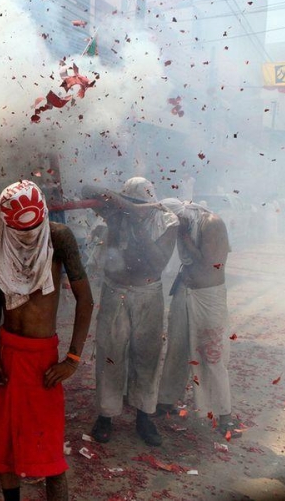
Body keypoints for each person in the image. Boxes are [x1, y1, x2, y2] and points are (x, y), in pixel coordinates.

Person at [0, 180, 93, 501]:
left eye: (33, 230)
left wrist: (71, 360)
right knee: (5, 447)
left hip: (43, 361)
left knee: (51, 453)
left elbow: (86, 299)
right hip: (7, 355)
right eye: (20, 233)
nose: (28, 238)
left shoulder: (59, 237)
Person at [82, 177, 178, 447]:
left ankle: (144, 416)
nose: (137, 208)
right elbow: (86, 189)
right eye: (132, 203)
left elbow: (158, 262)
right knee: (110, 354)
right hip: (115, 290)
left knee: (147, 356)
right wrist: (124, 205)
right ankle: (106, 415)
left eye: (140, 204)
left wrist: (137, 221)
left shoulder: (166, 221)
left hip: (148, 293)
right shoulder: (115, 211)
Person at [155, 198, 240, 439]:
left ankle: (224, 415)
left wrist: (184, 237)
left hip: (208, 298)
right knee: (177, 348)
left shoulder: (211, 223)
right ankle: (166, 401)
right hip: (185, 292)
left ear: (181, 217)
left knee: (212, 355)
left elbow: (210, 265)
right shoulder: (182, 224)